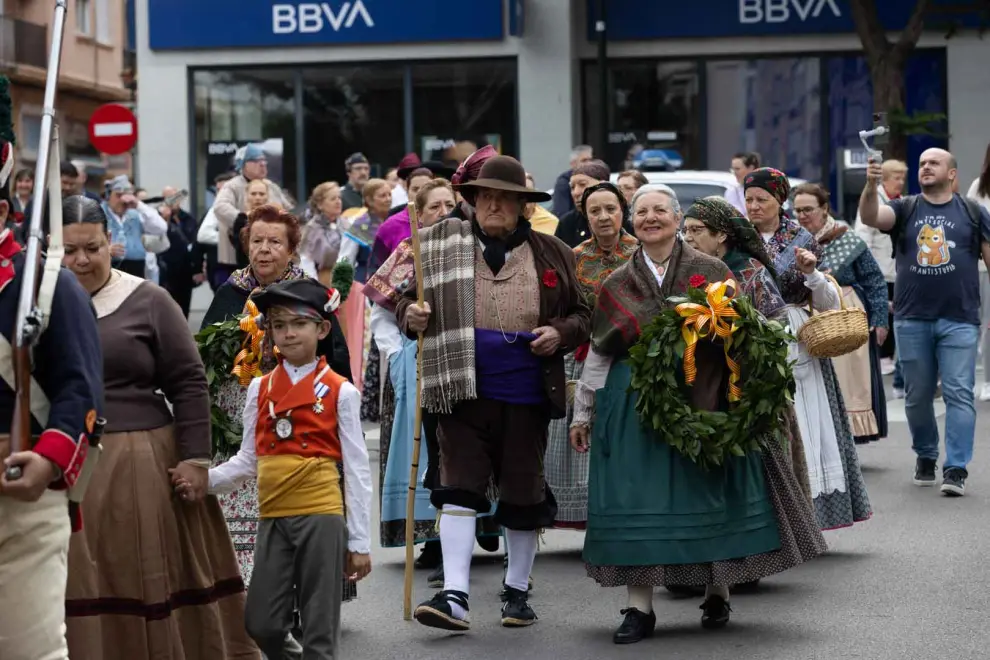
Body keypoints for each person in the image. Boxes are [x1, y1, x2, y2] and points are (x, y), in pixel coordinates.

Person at [570, 185, 825, 643]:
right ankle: (638, 607)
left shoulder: (710, 269)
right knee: (639, 500)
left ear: (676, 217)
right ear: (633, 222)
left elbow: (740, 332)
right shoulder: (617, 283)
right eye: (642, 211)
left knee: (708, 491)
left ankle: (718, 589)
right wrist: (582, 413)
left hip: (705, 395)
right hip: (634, 405)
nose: (650, 218)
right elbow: (600, 354)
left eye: (659, 211)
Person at [391, 155, 591, 631]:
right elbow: (401, 299)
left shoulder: (553, 251)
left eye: (506, 198)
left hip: (526, 391)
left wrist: (560, 332)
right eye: (486, 197)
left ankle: (517, 592)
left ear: (524, 206)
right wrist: (410, 315)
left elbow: (585, 315)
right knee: (458, 485)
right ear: (473, 202)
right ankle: (455, 596)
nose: (495, 205)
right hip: (458, 389)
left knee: (523, 493)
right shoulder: (437, 245)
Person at [56, 195, 258, 659]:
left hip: (141, 462)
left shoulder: (148, 299)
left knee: (142, 573)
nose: (81, 259)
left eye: (92, 247)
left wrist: (195, 458)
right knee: (72, 577)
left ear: (113, 242)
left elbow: (188, 382)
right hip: (60, 461)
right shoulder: (38, 305)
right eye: (69, 250)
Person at [181, 278, 372, 659]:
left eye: (299, 324)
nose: (288, 333)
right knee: (261, 623)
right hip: (272, 519)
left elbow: (357, 471)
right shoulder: (260, 388)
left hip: (321, 517)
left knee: (319, 631)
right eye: (278, 325)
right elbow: (247, 461)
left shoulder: (341, 391)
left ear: (322, 329)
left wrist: (360, 543)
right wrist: (204, 479)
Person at [0, 193, 104, 659]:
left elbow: (80, 390)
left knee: (30, 651)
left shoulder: (47, 285)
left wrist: (48, 461)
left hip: (23, 495)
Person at [745, 167, 872, 530]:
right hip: (751, 337)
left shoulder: (801, 238)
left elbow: (828, 299)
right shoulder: (739, 239)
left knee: (805, 418)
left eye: (762, 200)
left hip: (795, 336)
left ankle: (807, 510)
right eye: (749, 199)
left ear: (779, 200)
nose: (753, 206)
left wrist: (812, 273)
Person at [859, 149, 990, 497]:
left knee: (959, 393)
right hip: (912, 318)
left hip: (960, 319)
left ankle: (956, 468)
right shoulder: (905, 208)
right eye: (921, 164)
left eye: (934, 163)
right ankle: (927, 455)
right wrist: (871, 186)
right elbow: (872, 217)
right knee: (917, 396)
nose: (925, 167)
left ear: (952, 174)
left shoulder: (973, 212)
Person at [546, 182, 638, 530]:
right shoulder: (574, 257)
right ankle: (589, 513)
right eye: (594, 211)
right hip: (584, 356)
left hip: (630, 357)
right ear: (584, 215)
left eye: (610, 209)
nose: (603, 217)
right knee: (583, 433)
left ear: (622, 211)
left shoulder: (641, 253)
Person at [793, 183, 889, 445]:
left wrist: (880, 320)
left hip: (844, 314)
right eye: (797, 210)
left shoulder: (848, 240)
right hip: (807, 315)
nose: (802, 215)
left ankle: (846, 440)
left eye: (808, 209)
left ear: (824, 209)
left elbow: (874, 281)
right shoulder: (792, 241)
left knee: (849, 382)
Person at [212, 144, 289, 286]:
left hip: (271, 255)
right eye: (256, 161)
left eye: (264, 161)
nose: (262, 165)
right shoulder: (232, 185)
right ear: (243, 164)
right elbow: (220, 206)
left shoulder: (271, 185)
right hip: (237, 257)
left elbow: (288, 209)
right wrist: (244, 218)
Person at [855, 159, 906, 376]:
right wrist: (868, 267)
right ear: (884, 179)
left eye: (903, 178)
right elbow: (863, 235)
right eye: (897, 178)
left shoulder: (901, 201)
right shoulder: (874, 200)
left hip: (897, 270)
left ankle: (890, 356)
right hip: (880, 269)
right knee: (882, 312)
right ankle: (882, 356)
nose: (901, 182)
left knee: (896, 313)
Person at [101, 174, 169, 279]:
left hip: (136, 268)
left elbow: (161, 228)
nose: (123, 200)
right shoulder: (100, 213)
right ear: (108, 196)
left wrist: (138, 204)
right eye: (118, 195)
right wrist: (106, 250)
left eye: (126, 196)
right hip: (110, 268)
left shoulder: (135, 214)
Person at [967, 144, 990, 401]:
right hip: (984, 266)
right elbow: (969, 224)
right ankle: (986, 379)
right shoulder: (979, 186)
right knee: (985, 325)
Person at [553, 159, 613, 248]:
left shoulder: (625, 217)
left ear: (604, 185)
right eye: (572, 187)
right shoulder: (567, 223)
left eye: (582, 184)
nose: (576, 192)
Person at [299, 182, 344, 287]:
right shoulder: (312, 229)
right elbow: (306, 261)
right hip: (325, 281)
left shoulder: (347, 224)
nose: (338, 202)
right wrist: (314, 287)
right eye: (333, 199)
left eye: (339, 198)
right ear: (320, 205)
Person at [550, 144, 593, 218]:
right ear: (573, 164)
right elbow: (561, 214)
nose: (589, 163)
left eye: (590, 160)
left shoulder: (595, 177)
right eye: (584, 160)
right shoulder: (563, 182)